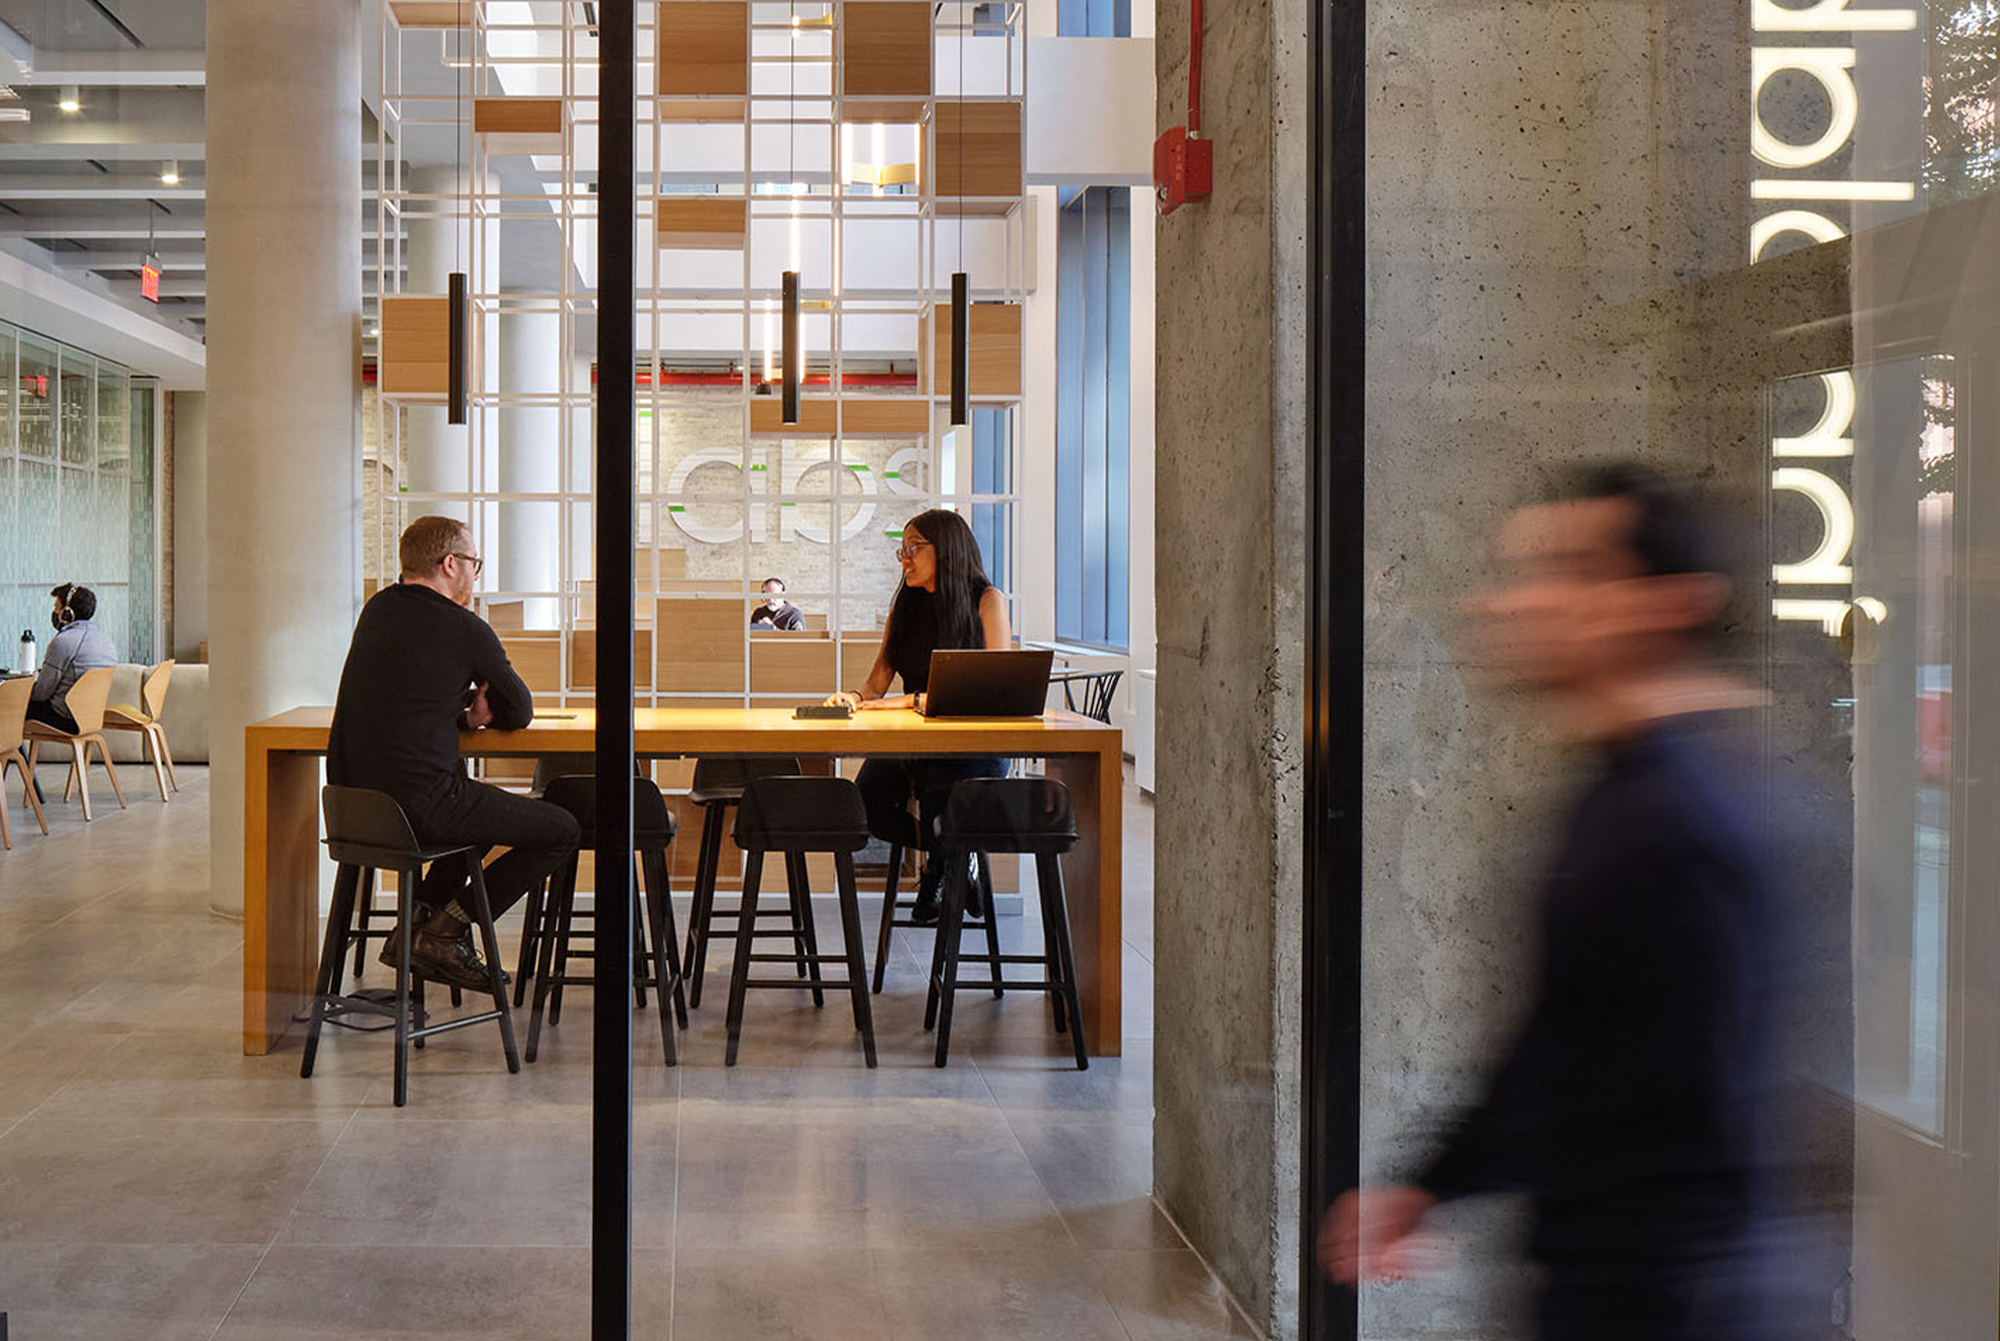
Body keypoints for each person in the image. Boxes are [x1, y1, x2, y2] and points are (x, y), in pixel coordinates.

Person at [1320, 465, 1817, 1341]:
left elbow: (1660, 1116)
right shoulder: (1632, 796)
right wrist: (1428, 1185)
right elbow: (1571, 1037)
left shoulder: (1673, 824)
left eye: (1573, 572)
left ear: (1672, 604)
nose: (1517, 602)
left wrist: (1436, 1184)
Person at [329, 516, 580, 990]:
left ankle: (412, 930)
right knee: (561, 829)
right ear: (450, 564)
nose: (474, 574)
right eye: (474, 563)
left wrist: (464, 719)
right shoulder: (465, 628)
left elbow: (406, 696)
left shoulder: (377, 610)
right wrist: (483, 709)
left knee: (477, 824)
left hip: (355, 810)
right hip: (421, 806)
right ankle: (445, 931)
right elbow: (519, 710)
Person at [826, 509, 1010, 922]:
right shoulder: (905, 607)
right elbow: (875, 685)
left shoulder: (986, 600)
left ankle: (940, 875)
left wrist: (910, 701)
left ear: (946, 550)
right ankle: (955, 856)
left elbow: (996, 687)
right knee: (865, 802)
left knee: (944, 780)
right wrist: (853, 697)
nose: (904, 559)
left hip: (974, 746)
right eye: (903, 550)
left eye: (914, 548)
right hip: (914, 743)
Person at [27, 582, 117, 733]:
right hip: (91, 719)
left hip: (65, 718)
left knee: (10, 707)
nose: (54, 612)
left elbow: (41, 693)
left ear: (67, 613)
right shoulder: (107, 642)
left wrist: (24, 690)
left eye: (56, 607)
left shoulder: (63, 642)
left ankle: (13, 749)